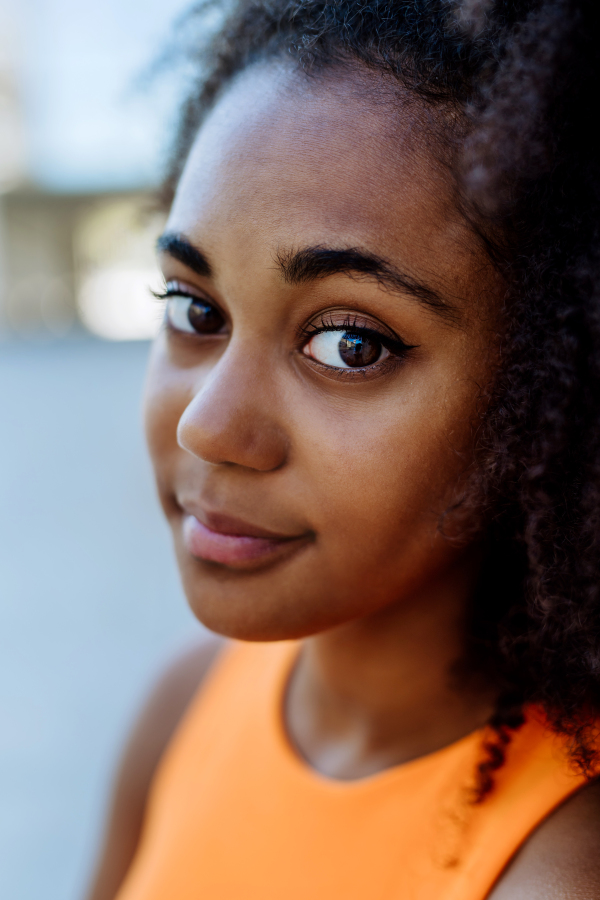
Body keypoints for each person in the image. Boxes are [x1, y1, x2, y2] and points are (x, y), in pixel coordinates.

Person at [86, 1, 600, 897]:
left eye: (349, 345)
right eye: (194, 311)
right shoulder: (186, 706)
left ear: (551, 395)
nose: (205, 426)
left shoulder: (551, 864)